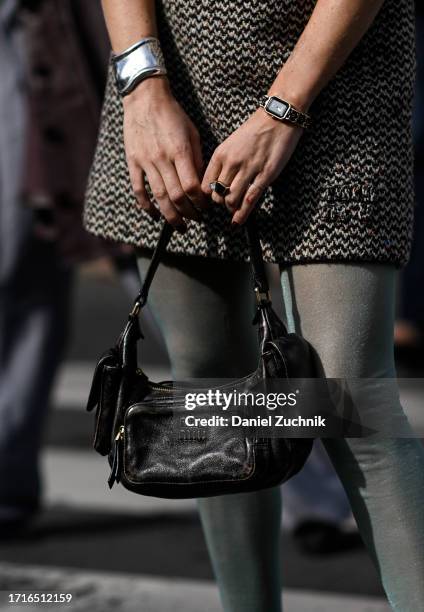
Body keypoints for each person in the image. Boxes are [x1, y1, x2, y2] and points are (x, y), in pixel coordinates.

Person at [84, 1, 424, 611]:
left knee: (351, 398)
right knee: (215, 392)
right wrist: (141, 85)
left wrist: (283, 109)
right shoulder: (156, 89)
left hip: (340, 79)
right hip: (173, 83)